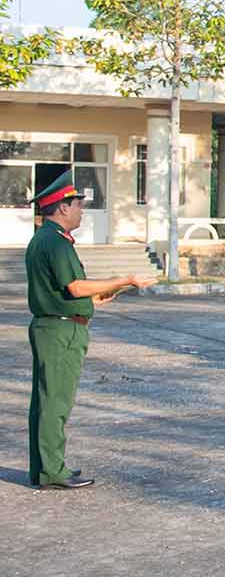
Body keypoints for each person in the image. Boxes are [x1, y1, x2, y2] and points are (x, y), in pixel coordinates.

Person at [25, 170, 157, 490]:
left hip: (56, 324)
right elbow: (75, 286)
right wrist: (125, 279)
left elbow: (62, 292)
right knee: (55, 403)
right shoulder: (55, 243)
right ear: (62, 207)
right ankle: (51, 471)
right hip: (60, 332)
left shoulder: (46, 239)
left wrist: (93, 301)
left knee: (46, 402)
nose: (82, 211)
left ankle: (46, 468)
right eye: (78, 205)